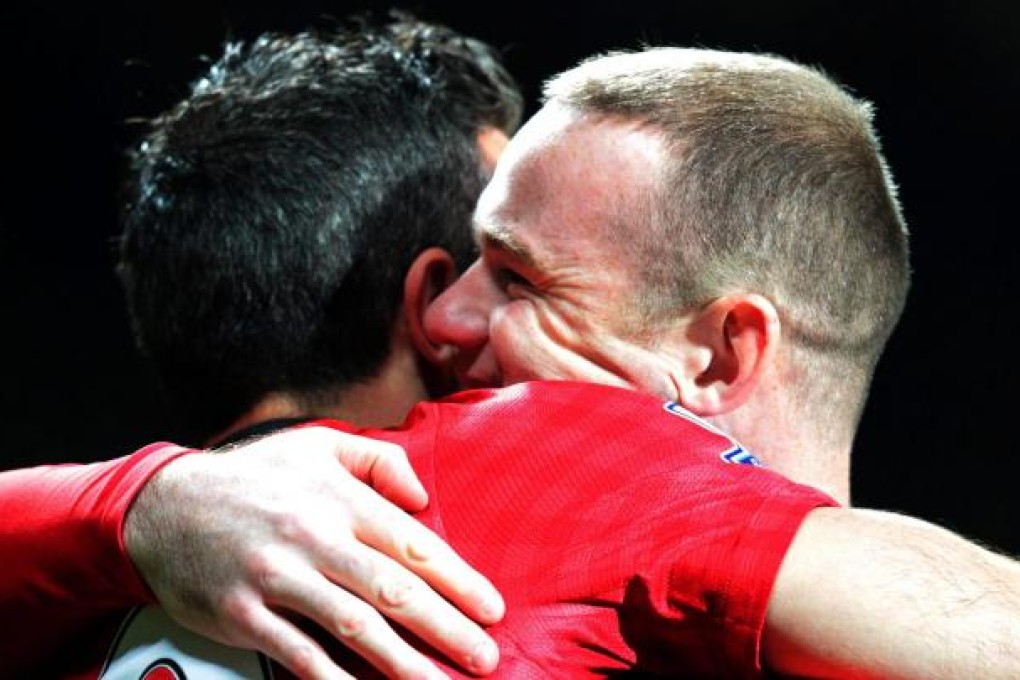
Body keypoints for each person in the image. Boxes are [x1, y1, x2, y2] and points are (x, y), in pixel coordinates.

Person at [7, 30, 1020, 680]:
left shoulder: (76, 587)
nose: (450, 315)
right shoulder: (552, 456)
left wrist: (131, 502)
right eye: (462, 260)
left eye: (517, 276)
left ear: (721, 353)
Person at [0, 14, 521, 680]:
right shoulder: (536, 565)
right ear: (439, 302)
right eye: (512, 272)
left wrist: (130, 506)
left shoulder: (50, 600)